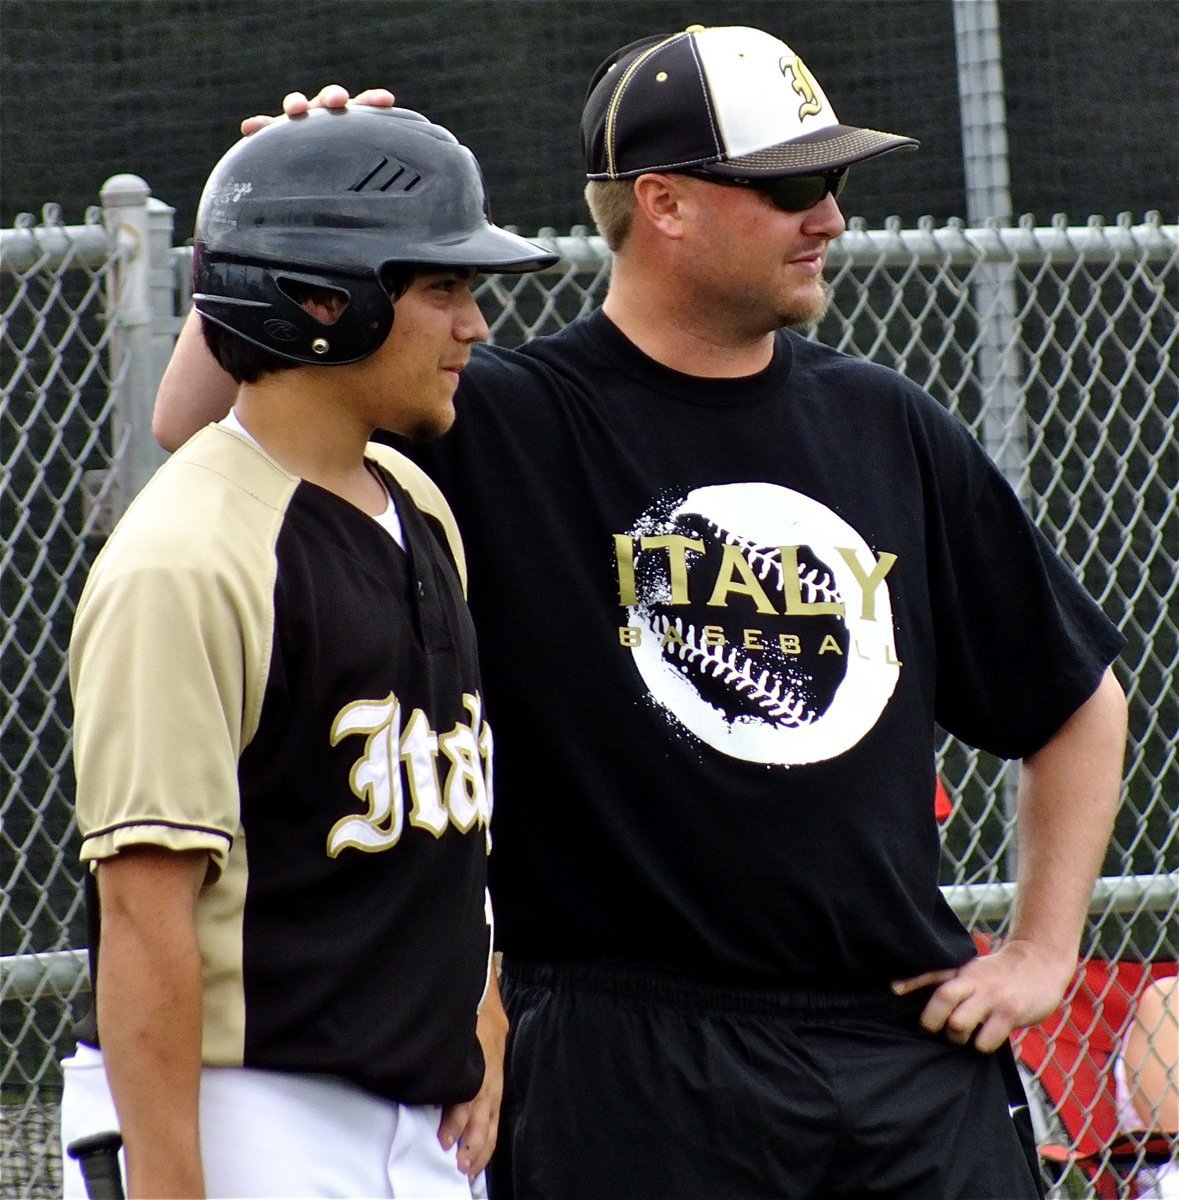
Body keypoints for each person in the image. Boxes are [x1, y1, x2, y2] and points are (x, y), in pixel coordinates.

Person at [152, 25, 1129, 1199]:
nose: (829, 218)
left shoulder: (887, 424)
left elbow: (1077, 701)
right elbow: (205, 436)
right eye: (793, 188)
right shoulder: (500, 421)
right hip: (625, 1056)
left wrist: (1042, 948)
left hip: (900, 1057)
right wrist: (269, 234)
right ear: (663, 203)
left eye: (835, 183)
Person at [61, 104, 556, 1198]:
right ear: (324, 301)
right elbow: (143, 914)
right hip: (240, 1108)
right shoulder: (186, 557)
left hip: (416, 1118)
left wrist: (476, 1001)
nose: (475, 325)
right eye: (442, 287)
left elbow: (444, 828)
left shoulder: (417, 503)